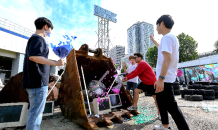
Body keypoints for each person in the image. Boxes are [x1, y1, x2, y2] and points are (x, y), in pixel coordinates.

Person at [22, 17, 64, 130]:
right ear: (45, 26)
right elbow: (34, 57)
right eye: (50, 29)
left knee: (34, 113)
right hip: (38, 83)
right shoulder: (38, 39)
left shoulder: (34, 39)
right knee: (36, 115)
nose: (50, 32)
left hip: (35, 82)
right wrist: (55, 63)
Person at [151, 14, 190, 130]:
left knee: (172, 108)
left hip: (166, 78)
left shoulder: (167, 38)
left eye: (157, 25)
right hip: (164, 78)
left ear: (162, 23)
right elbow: (162, 49)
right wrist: (153, 40)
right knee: (160, 101)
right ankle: (165, 125)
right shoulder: (170, 38)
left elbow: (167, 58)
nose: (156, 28)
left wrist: (161, 79)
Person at [122, 53, 160, 119]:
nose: (134, 59)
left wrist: (127, 78)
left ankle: (160, 114)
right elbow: (133, 72)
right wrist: (126, 77)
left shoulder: (142, 63)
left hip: (151, 82)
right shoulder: (139, 65)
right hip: (145, 82)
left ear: (140, 58)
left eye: (135, 57)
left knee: (156, 99)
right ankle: (134, 106)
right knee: (136, 91)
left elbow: (136, 73)